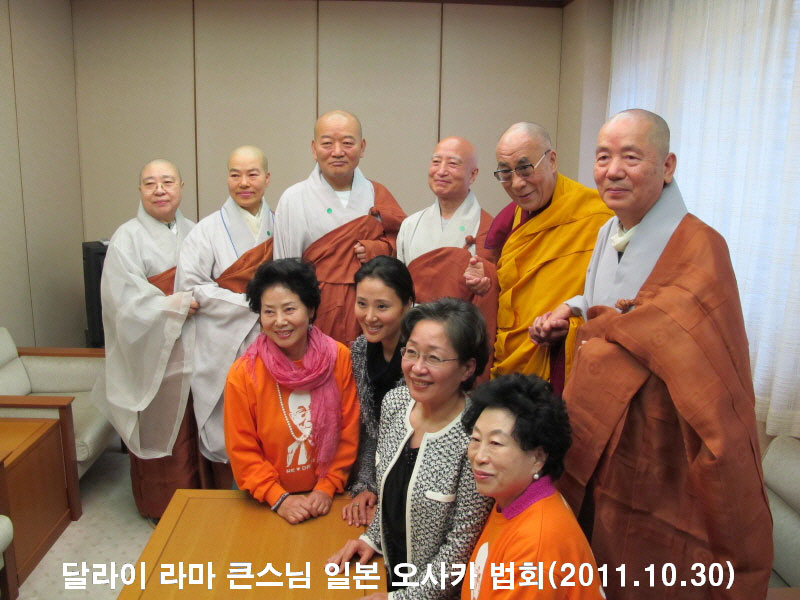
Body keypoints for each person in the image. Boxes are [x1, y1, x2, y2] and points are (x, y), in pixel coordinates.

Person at [531, 109, 773, 599]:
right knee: (595, 536)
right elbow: (611, 303)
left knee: (649, 551)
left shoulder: (702, 245)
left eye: (631, 157)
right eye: (603, 157)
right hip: (599, 416)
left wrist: (612, 324)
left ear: (667, 166)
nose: (613, 171)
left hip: (662, 430)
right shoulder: (608, 230)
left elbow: (699, 344)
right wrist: (572, 308)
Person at [329, 298, 494, 599]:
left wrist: (400, 599)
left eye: (434, 358)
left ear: (467, 368)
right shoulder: (395, 403)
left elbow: (460, 550)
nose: (417, 368)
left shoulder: (477, 436)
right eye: (412, 352)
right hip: (387, 576)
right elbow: (392, 494)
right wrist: (371, 539)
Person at [91, 159, 200, 519]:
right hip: (153, 352)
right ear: (139, 190)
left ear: (181, 186)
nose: (159, 190)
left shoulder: (196, 231)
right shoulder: (127, 238)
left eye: (167, 181)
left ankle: (201, 503)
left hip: (194, 347)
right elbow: (123, 303)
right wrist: (176, 304)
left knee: (194, 427)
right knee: (160, 430)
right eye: (150, 183)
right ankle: (160, 507)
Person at [475, 123, 611, 393]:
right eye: (505, 173)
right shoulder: (507, 221)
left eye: (525, 169)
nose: (517, 183)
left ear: (552, 160)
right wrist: (484, 279)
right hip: (509, 360)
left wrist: (570, 321)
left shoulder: (599, 216)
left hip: (558, 368)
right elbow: (505, 287)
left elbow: (612, 300)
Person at [224, 259, 360, 524]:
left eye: (289, 309)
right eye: (269, 312)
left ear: (310, 309)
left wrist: (327, 486)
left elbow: (349, 430)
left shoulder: (338, 357)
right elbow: (242, 449)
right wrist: (278, 497)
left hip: (329, 495)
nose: (280, 321)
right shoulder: (243, 373)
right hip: (265, 499)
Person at [175, 145, 275, 486]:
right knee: (230, 421)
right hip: (222, 341)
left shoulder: (282, 224)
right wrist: (252, 303)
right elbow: (190, 287)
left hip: (274, 337)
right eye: (235, 175)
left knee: (272, 419)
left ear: (267, 178)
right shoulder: (206, 230)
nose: (244, 183)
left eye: (252, 174)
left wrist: (272, 310)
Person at [461, 374, 604, 599]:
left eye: (495, 443)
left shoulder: (536, 547)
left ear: (538, 457)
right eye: (476, 439)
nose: (479, 456)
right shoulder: (511, 501)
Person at [273, 109, 406, 345]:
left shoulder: (377, 195)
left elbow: (403, 249)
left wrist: (378, 250)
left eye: (347, 143)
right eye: (327, 143)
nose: (337, 152)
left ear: (362, 147)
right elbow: (285, 273)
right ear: (314, 149)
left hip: (370, 315)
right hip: (316, 314)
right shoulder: (293, 199)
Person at [396, 136, 498, 379]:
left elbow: (495, 292)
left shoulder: (489, 229)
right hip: (417, 338)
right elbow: (400, 290)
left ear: (473, 174)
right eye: (436, 162)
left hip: (460, 342)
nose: (441, 171)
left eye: (453, 164)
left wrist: (486, 282)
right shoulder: (411, 224)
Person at [341, 256, 415, 527]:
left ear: (407, 304)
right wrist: (365, 486)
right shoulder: (360, 350)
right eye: (362, 304)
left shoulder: (421, 357)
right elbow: (372, 431)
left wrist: (387, 499)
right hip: (377, 477)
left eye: (382, 306)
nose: (369, 316)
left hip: (415, 487)